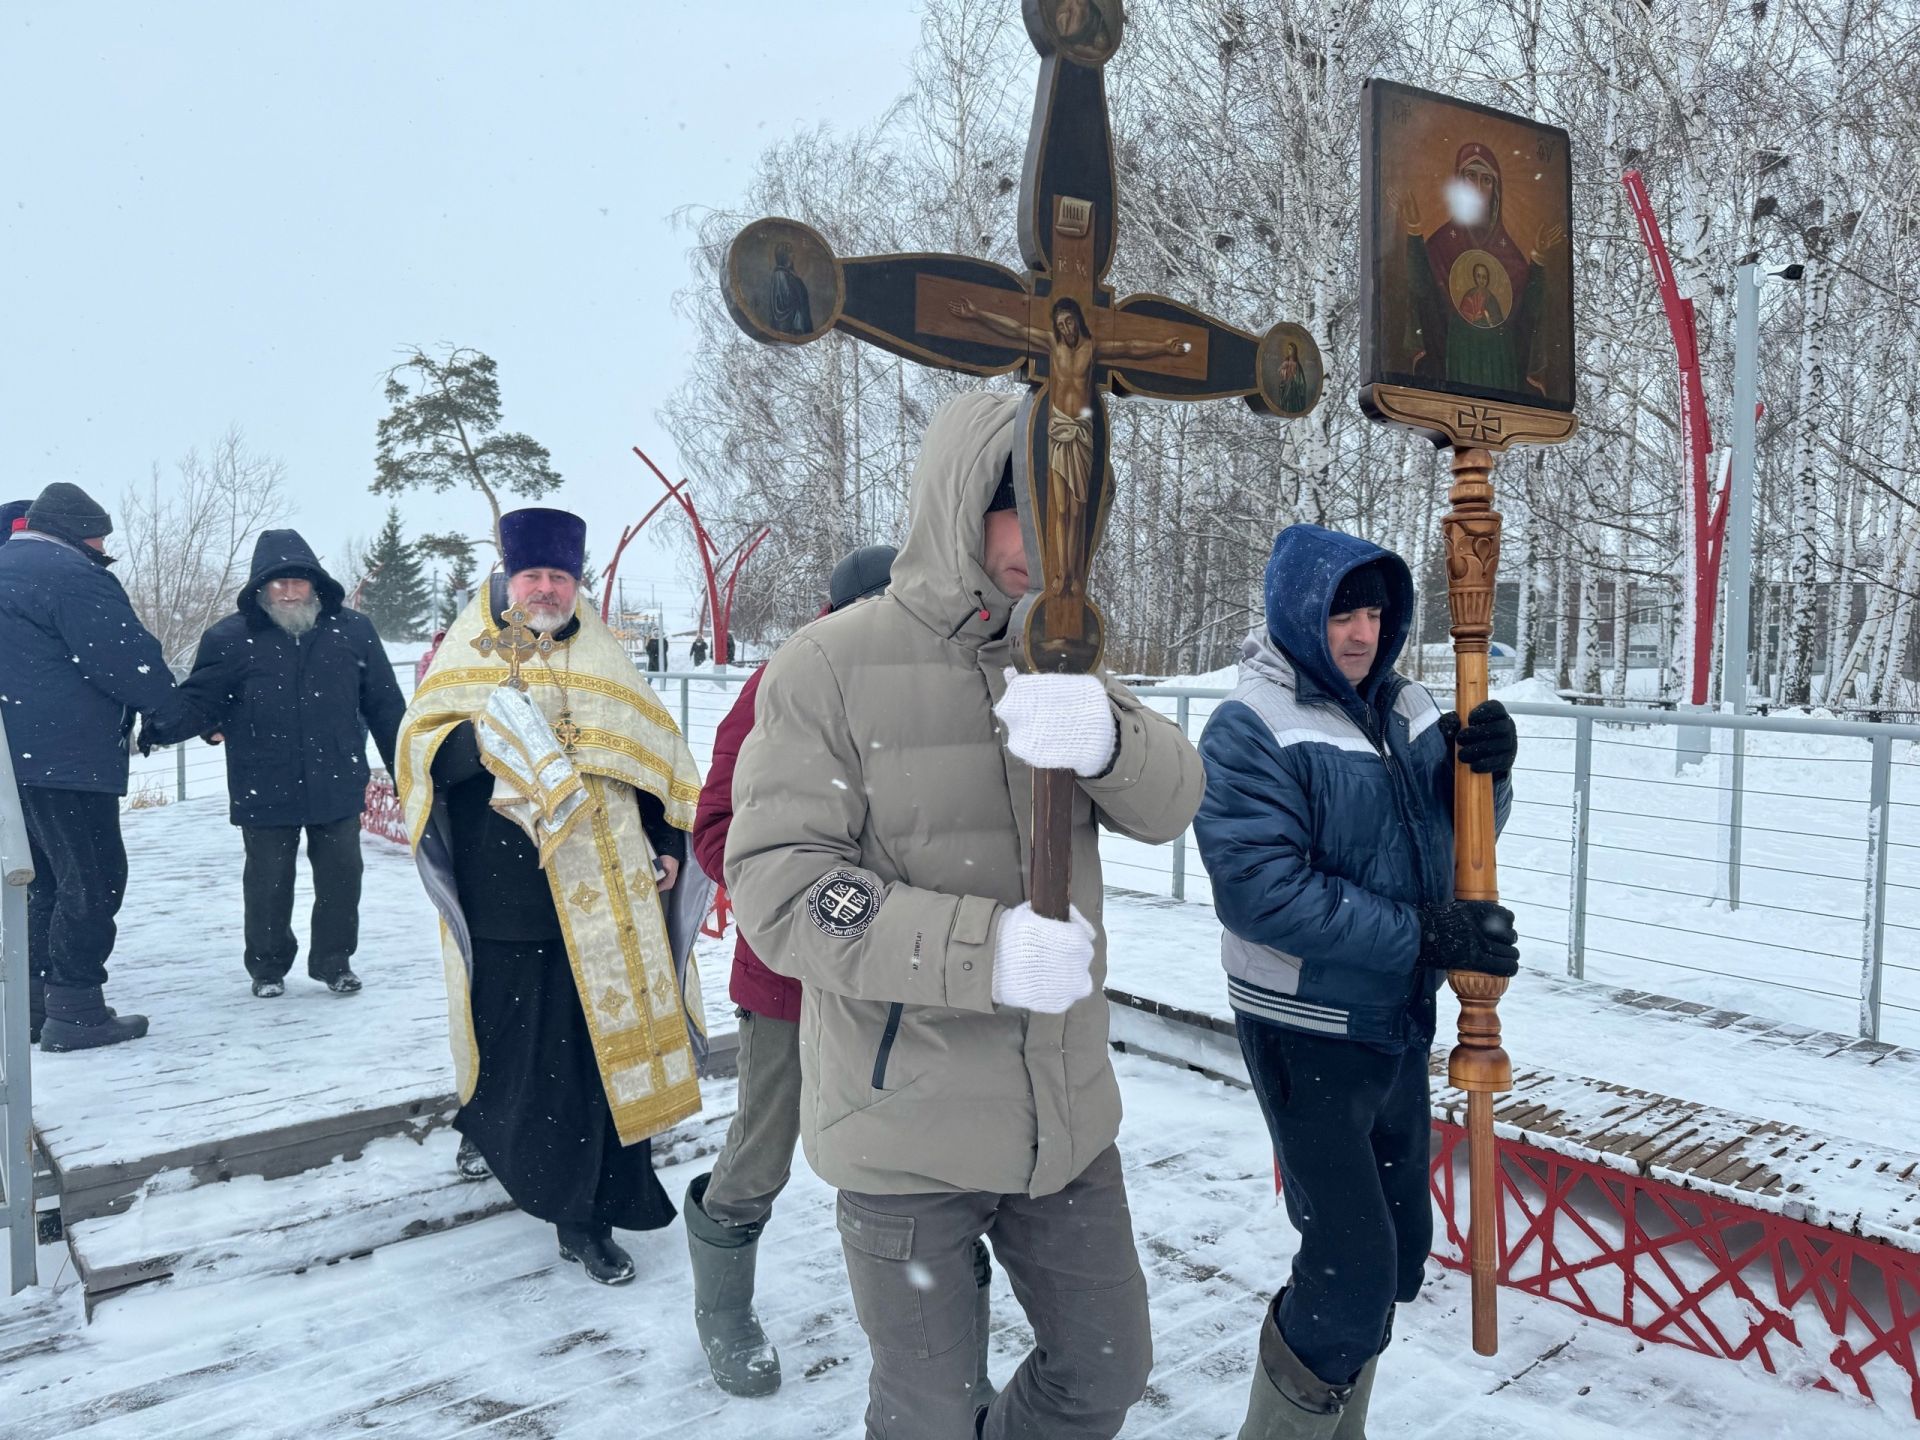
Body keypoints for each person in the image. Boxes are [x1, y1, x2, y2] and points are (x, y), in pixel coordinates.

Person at [726, 392, 1204, 1440]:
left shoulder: (1066, 654)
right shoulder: (829, 668)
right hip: (907, 1130)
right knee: (926, 1415)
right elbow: (782, 886)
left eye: (1071, 518)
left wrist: (1110, 739)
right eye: (1019, 510)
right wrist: (982, 952)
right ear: (958, 505)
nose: (1045, 544)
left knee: (1107, 1372)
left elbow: (1172, 805)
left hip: (1065, 1121)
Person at [1191, 524, 1519, 1438]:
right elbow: (1261, 892)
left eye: (1376, 610)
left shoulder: (1411, 706)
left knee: (1399, 1255)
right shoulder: (1253, 726)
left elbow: (1456, 842)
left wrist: (1488, 775)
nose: (1363, 631)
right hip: (1303, 1019)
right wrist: (1426, 933)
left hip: (1394, 1016)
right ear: (1300, 612)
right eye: (1343, 610)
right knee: (1351, 1266)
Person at [683, 541, 1005, 1405]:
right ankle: (725, 1309)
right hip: (795, 984)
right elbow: (717, 828)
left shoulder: (949, 682)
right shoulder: (790, 683)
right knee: (761, 1149)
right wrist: (826, 892)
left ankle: (947, 1335)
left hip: (910, 985)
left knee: (936, 1162)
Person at [396, 507, 712, 1284]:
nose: (544, 589)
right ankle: (493, 1133)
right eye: (532, 576)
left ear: (576, 585)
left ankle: (587, 1214)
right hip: (508, 900)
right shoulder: (471, 652)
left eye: (559, 577)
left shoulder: (604, 660)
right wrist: (482, 738)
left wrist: (669, 846)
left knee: (587, 1067)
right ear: (508, 579)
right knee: (513, 1049)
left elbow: (658, 766)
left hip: (608, 902)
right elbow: (420, 757)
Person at [142, 531, 406, 997]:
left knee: (342, 876)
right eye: (277, 583)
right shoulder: (229, 638)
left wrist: (407, 770)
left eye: (297, 583)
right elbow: (203, 699)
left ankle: (334, 962)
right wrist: (158, 725)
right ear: (260, 588)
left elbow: (386, 706)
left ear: (315, 585)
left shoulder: (354, 631)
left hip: (337, 779)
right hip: (262, 780)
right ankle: (267, 968)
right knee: (267, 882)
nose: (288, 592)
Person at [0, 483, 196, 1049]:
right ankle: (77, 1009)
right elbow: (125, 658)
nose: (104, 547)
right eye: (100, 537)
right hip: (66, 758)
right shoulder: (69, 574)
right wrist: (173, 713)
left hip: (16, 761)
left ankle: (37, 1003)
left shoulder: (7, 567)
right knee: (94, 878)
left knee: (47, 882)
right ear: (75, 532)